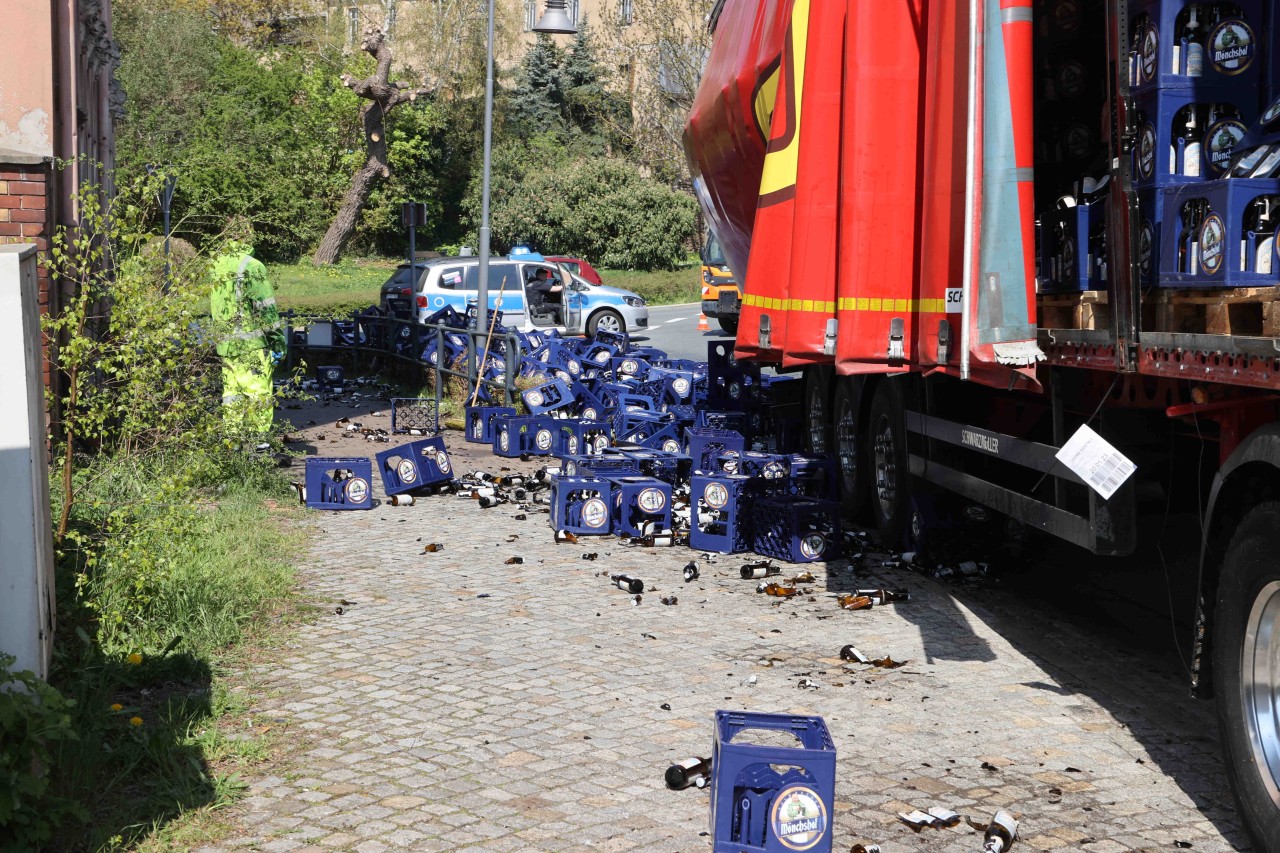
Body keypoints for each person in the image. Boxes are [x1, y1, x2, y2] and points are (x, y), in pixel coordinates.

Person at [210, 232, 285, 437]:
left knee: (231, 396)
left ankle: (233, 443)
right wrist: (278, 342)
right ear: (249, 236)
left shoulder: (216, 265)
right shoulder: (252, 266)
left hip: (225, 346)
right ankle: (258, 444)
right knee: (258, 395)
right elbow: (266, 309)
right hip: (251, 346)